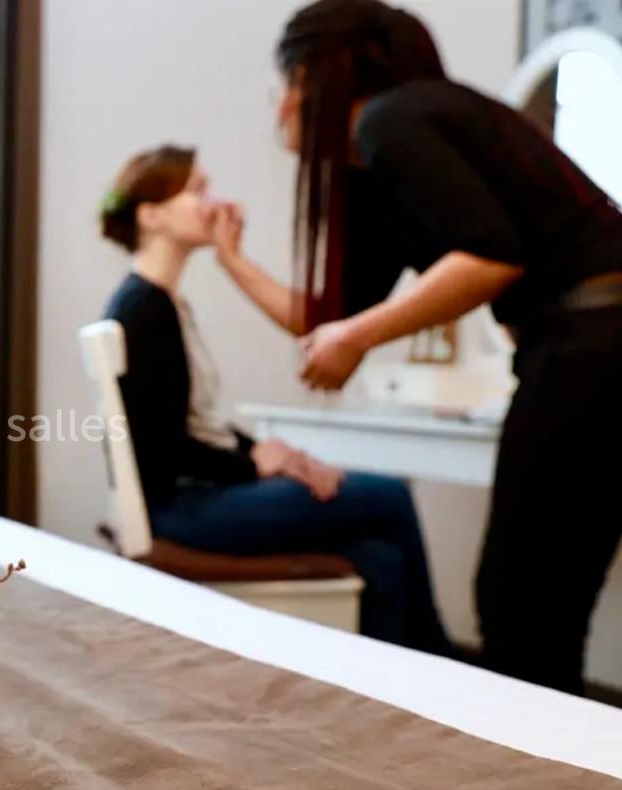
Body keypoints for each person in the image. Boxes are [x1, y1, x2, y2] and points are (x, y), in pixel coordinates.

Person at [214, 0, 622, 694]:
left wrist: (356, 336)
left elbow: (492, 258)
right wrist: (232, 260)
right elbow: (329, 316)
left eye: (284, 81)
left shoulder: (393, 119)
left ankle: (533, 787)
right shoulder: (384, 153)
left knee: (522, 606)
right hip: (585, 350)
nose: (277, 103)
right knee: (535, 603)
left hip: (593, 347)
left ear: (315, 77)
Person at [100, 144, 451, 654]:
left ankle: (402, 683)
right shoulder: (144, 309)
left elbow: (196, 428)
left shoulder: (162, 303)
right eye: (197, 190)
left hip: (198, 493)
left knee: (380, 558)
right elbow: (163, 449)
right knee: (390, 496)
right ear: (151, 215)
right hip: (182, 508)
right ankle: (441, 662)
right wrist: (255, 464)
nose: (215, 201)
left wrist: (276, 456)